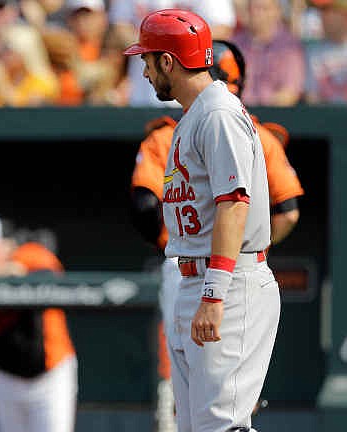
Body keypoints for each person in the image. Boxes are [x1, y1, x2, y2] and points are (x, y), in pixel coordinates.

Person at [129, 39, 304, 432]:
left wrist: (228, 264)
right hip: (198, 270)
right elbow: (285, 213)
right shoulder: (189, 121)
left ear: (169, 62)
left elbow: (235, 204)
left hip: (222, 276)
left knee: (221, 425)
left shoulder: (219, 116)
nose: (143, 71)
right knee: (197, 424)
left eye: (147, 61)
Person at [0, 211, 78, 432]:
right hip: (3, 375)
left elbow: (49, 276)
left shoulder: (30, 255)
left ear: (5, 245)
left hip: (50, 374)